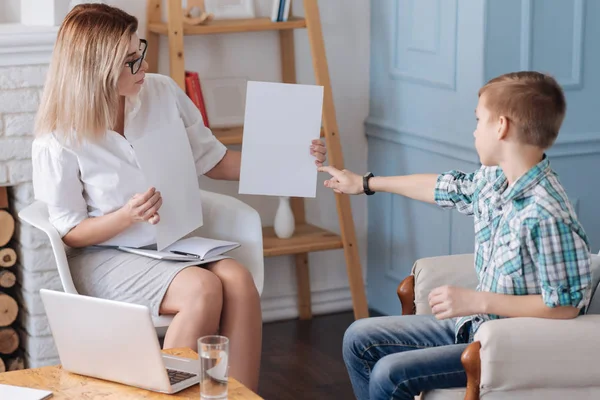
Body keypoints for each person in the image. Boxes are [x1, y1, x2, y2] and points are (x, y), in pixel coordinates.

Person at [31, 4, 327, 392]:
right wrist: (126, 216)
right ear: (96, 70)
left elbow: (215, 160)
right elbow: (70, 232)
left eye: (139, 51)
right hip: (105, 254)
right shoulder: (59, 138)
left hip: (169, 245)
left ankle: (240, 396)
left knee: (238, 281)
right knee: (202, 290)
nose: (143, 65)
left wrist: (293, 158)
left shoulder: (162, 93)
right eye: (130, 61)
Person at [319, 71, 592, 399]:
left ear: (501, 126)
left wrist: (476, 300)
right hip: (476, 327)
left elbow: (565, 307)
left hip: (507, 348)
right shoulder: (494, 179)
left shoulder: (546, 212)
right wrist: (364, 183)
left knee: (390, 374)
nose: (474, 131)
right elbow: (443, 187)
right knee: (358, 339)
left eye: (478, 120)